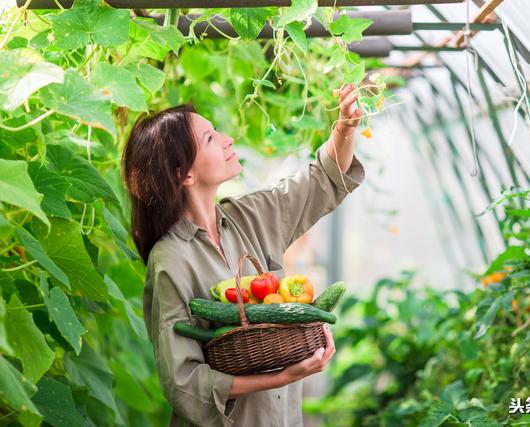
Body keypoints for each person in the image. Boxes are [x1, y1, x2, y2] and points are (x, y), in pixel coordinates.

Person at [122, 84, 366, 426]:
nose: (227, 140)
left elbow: (321, 181)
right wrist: (285, 376)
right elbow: (184, 383)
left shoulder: (247, 218)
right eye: (209, 139)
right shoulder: (171, 260)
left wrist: (344, 128)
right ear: (183, 174)